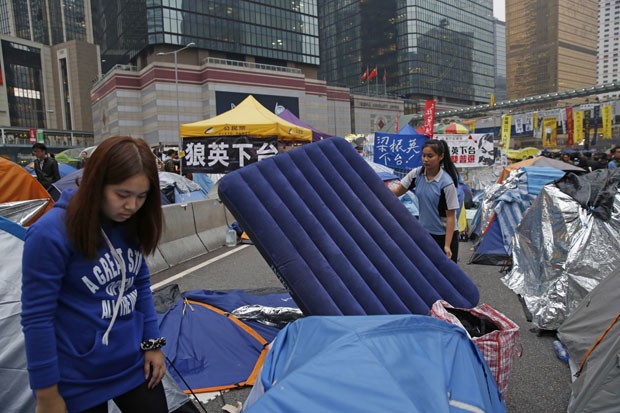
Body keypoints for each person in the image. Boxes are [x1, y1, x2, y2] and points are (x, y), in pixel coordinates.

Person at [21, 136, 168, 413]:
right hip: (78, 378)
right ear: (96, 185)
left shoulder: (130, 223)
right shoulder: (49, 234)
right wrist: (46, 393)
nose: (132, 206)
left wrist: (153, 344)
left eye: (142, 196)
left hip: (134, 364)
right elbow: (37, 318)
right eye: (122, 195)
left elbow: (140, 284)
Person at [390, 139, 461, 262]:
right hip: (426, 233)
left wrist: (447, 245)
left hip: (445, 236)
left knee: (446, 275)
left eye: (430, 156)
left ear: (441, 157)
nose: (426, 159)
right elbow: (397, 191)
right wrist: (373, 187)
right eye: (423, 155)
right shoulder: (416, 174)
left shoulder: (446, 183)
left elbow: (451, 216)